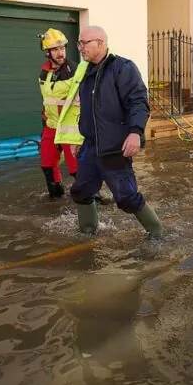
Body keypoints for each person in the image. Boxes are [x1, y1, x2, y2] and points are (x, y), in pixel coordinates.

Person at [69, 26, 163, 238]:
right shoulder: (84, 73)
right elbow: (83, 110)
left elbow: (138, 102)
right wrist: (78, 138)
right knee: (81, 191)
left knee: (126, 197)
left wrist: (135, 132)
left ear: (100, 43)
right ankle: (88, 233)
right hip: (91, 147)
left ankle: (157, 233)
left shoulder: (122, 68)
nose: (80, 48)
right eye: (79, 43)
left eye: (85, 43)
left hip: (114, 147)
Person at [37, 29, 84, 199]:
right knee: (47, 165)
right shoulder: (43, 74)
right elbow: (47, 103)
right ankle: (56, 200)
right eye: (55, 49)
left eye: (62, 48)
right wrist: (45, 127)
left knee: (76, 169)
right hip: (51, 127)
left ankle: (92, 200)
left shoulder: (75, 70)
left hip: (70, 128)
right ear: (47, 52)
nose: (60, 53)